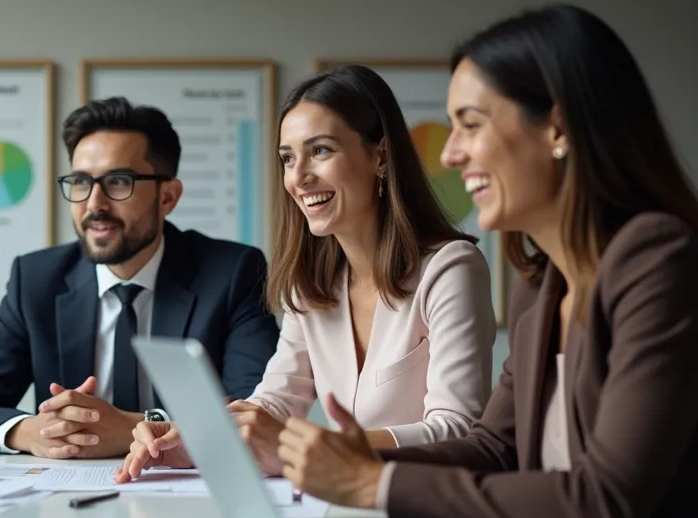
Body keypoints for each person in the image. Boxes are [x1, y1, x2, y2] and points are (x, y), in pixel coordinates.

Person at [267, 4, 698, 518]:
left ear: (558, 128)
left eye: (471, 124)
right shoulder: (539, 287)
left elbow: (605, 501)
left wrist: (373, 482)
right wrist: (340, 459)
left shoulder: (657, 258)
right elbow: (493, 449)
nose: (449, 154)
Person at [116, 65, 494, 481]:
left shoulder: (450, 269)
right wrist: (192, 442)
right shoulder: (312, 282)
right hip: (341, 501)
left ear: (380, 156)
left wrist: (309, 445)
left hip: (419, 499)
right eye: (288, 158)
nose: (298, 177)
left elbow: (459, 431)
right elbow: (275, 402)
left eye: (321, 151)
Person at [0, 97, 281, 458]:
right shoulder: (37, 279)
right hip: (62, 501)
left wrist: (139, 425)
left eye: (118, 182)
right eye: (81, 182)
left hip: (190, 495)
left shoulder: (231, 272)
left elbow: (256, 413)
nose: (94, 204)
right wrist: (30, 432)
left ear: (168, 197)